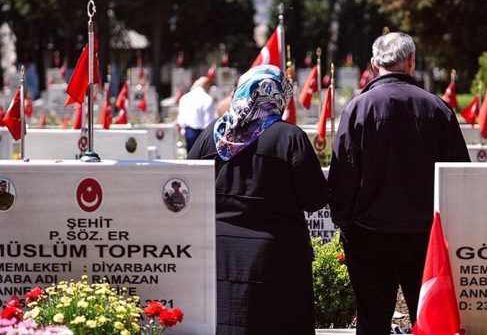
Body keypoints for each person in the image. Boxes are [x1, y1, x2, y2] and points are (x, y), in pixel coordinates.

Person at [328, 32, 470, 334]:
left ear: (373, 64)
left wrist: (345, 222)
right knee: (429, 321)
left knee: (372, 321)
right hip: (424, 237)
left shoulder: (358, 109)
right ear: (411, 62)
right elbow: (459, 177)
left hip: (368, 234)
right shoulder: (437, 109)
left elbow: (343, 175)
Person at [188, 65, 329, 335]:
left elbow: (188, 189)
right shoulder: (290, 137)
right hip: (277, 256)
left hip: (218, 252)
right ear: (278, 94)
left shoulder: (210, 136)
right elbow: (314, 199)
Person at [177, 76, 216, 152]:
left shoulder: (185, 97)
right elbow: (208, 123)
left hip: (187, 132)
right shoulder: (207, 99)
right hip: (200, 134)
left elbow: (181, 120)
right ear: (206, 85)